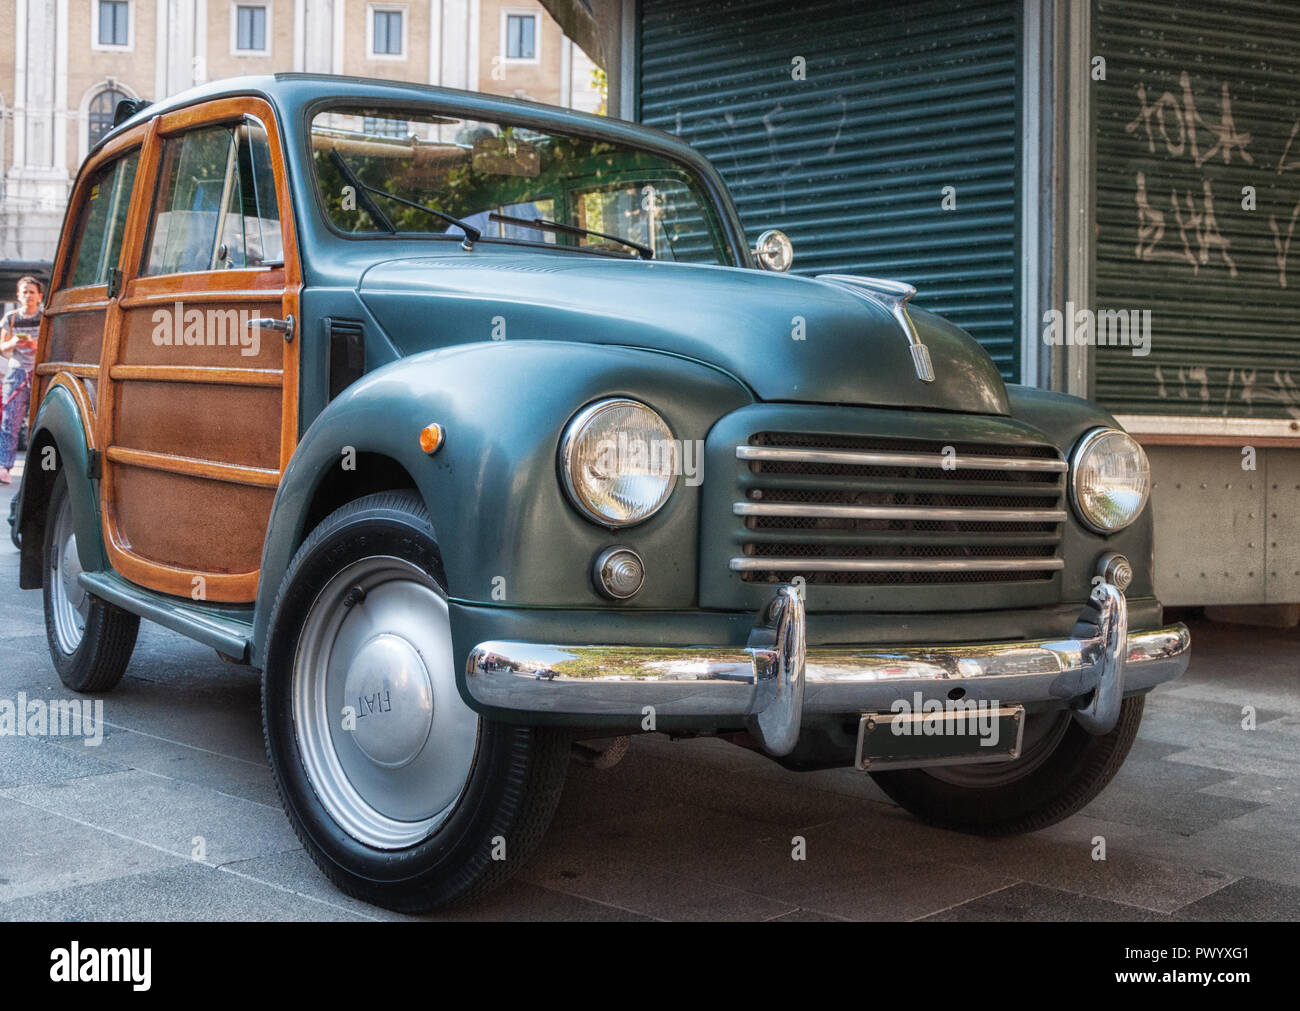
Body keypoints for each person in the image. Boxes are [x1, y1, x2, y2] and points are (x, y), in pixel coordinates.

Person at [0, 276, 44, 485]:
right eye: (24, 292)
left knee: (39, 421)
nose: (28, 296)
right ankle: (4, 467)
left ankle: (38, 468)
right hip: (16, 372)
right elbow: (2, 347)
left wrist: (37, 346)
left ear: (39, 296)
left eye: (32, 292)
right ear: (18, 295)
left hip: (39, 372)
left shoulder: (46, 317)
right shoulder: (10, 318)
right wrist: (15, 342)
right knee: (10, 422)